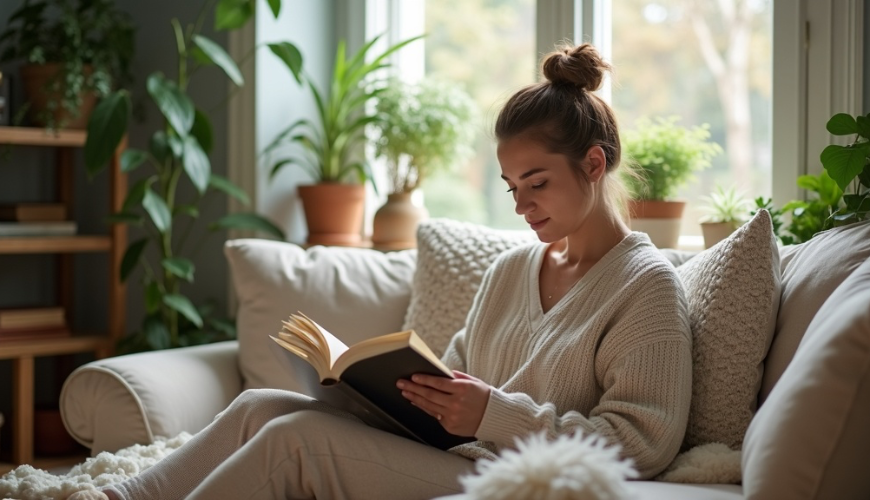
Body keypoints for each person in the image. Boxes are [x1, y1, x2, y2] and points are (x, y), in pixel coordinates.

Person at [69, 42, 691, 500]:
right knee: (262, 405)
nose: (521, 204)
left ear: (592, 163)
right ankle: (115, 498)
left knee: (298, 443)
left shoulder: (645, 286)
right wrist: (367, 390)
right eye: (509, 186)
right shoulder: (511, 269)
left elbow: (640, 445)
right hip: (452, 451)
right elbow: (450, 378)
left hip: (507, 474)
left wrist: (491, 414)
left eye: (537, 183)